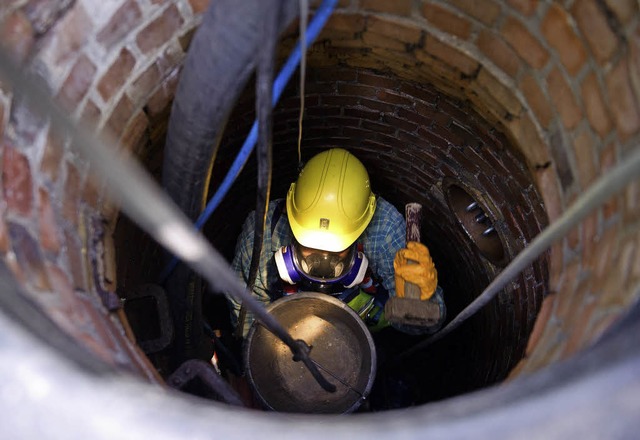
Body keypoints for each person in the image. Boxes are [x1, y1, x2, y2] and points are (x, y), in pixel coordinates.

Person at [227, 148, 445, 337]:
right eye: (309, 246)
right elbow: (246, 315)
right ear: (289, 212)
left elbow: (422, 327)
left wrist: (420, 306)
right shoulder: (262, 234)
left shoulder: (384, 230)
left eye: (337, 251)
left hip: (362, 327)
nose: (322, 263)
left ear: (363, 225)